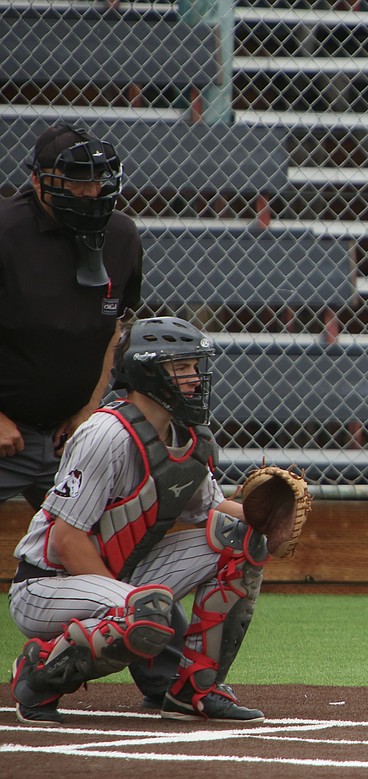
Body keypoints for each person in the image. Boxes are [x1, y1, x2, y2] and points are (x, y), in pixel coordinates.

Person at [0, 123, 185, 709]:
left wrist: (89, 408)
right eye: (75, 178)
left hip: (69, 433)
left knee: (114, 547)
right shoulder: (5, 230)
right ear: (37, 181)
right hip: (4, 427)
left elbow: (114, 331)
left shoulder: (122, 236)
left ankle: (165, 677)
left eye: (98, 177)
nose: (90, 190)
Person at [8, 317, 270, 726]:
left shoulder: (187, 433)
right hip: (47, 585)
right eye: (181, 367)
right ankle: (39, 674)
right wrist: (128, 604)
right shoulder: (105, 433)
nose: (195, 378)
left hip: (123, 572)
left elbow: (212, 513)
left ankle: (195, 688)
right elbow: (67, 540)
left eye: (193, 367)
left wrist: (266, 518)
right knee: (145, 611)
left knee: (240, 538)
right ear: (147, 371)